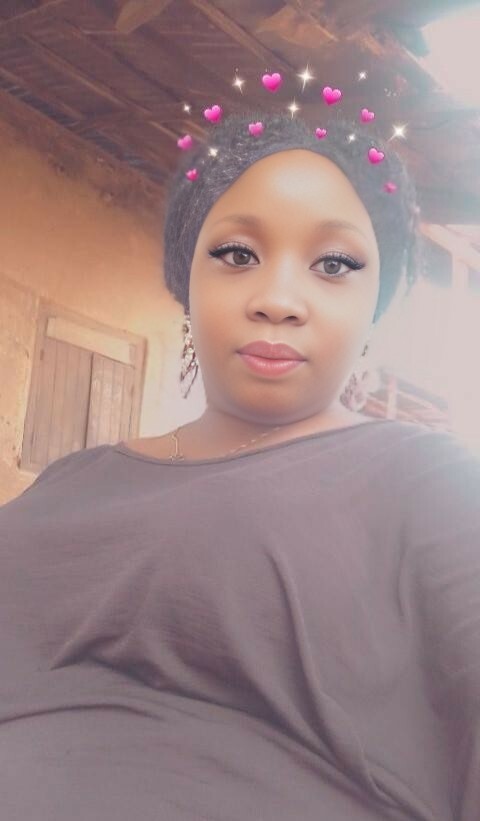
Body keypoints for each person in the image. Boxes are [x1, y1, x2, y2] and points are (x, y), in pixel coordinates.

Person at [1, 110, 479, 821]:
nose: (278, 301)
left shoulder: (431, 483)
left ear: (375, 306)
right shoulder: (72, 478)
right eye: (237, 254)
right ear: (185, 282)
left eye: (334, 264)